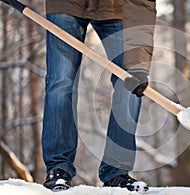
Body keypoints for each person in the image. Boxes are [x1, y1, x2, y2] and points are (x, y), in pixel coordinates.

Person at [41, 0, 156, 192]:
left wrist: (138, 66)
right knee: (61, 81)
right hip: (65, 4)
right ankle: (58, 169)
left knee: (130, 82)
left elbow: (141, 4)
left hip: (116, 8)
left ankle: (116, 172)